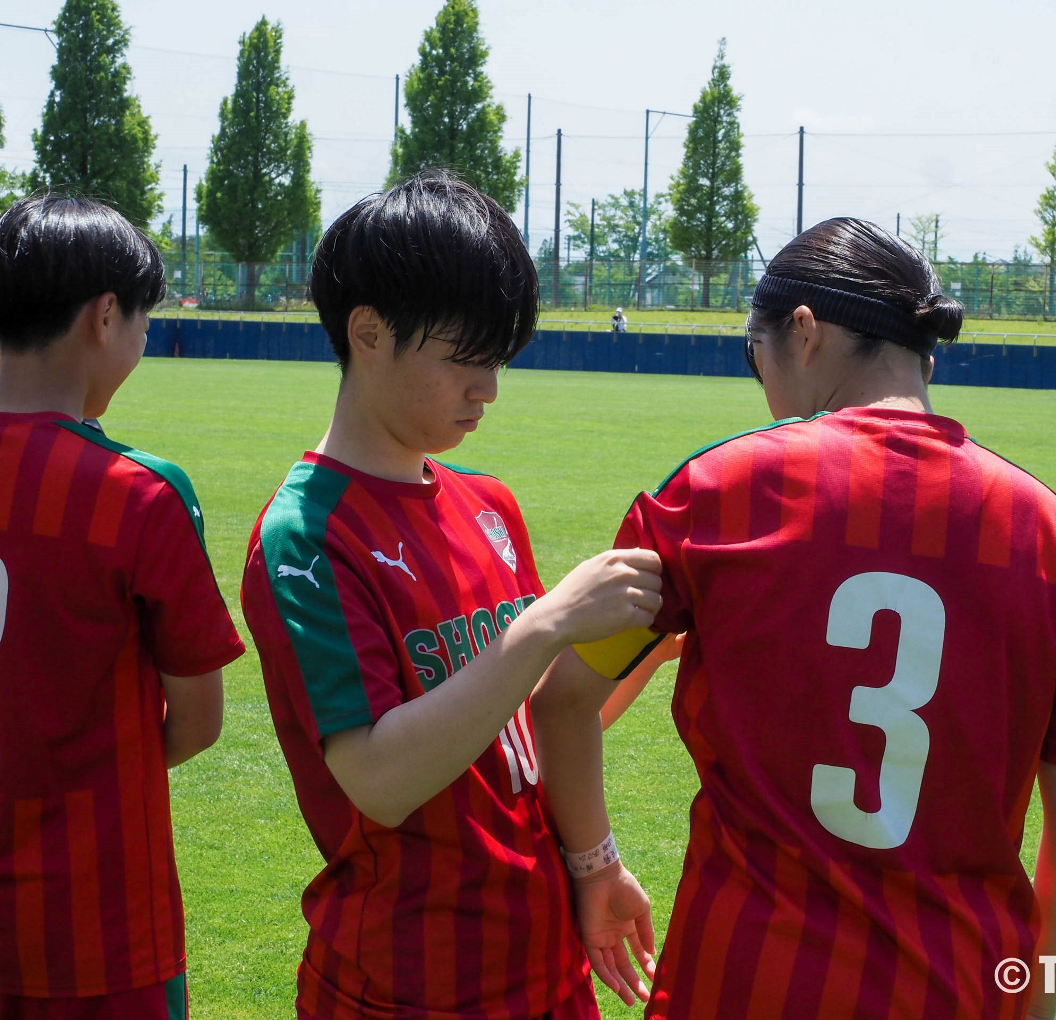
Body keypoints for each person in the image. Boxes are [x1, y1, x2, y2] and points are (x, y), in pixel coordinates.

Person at [530, 217, 1056, 1019]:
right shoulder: (1048, 533)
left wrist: (596, 865)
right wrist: (1037, 993)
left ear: (804, 332)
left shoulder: (718, 493)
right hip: (956, 984)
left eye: (754, 353)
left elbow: (564, 701)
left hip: (740, 979)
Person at [239, 171, 667, 1020]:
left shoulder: (488, 505)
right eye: (464, 359)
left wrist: (594, 864)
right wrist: (547, 625)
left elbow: (523, 724)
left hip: (544, 960)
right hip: (407, 986)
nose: (489, 390)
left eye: (497, 360)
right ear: (368, 332)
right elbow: (382, 777)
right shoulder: (305, 537)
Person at [0, 194, 244, 1019]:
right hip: (99, 928)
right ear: (106, 316)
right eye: (143, 323)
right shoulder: (137, 494)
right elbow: (199, 720)